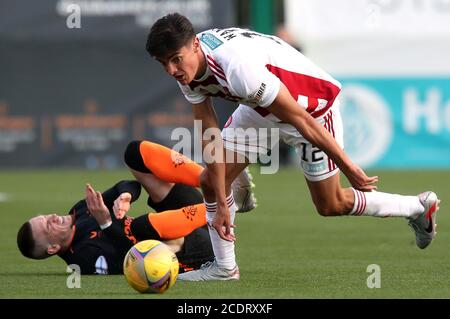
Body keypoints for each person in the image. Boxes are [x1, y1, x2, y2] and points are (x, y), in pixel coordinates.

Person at [145, 13, 440, 281]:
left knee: (330, 204)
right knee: (212, 181)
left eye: (175, 59)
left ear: (195, 45)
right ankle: (225, 268)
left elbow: (301, 119)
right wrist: (222, 200)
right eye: (163, 63)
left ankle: (416, 207)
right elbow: (208, 131)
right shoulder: (188, 69)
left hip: (312, 107)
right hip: (260, 108)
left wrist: (348, 165)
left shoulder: (237, 67)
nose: (171, 70)